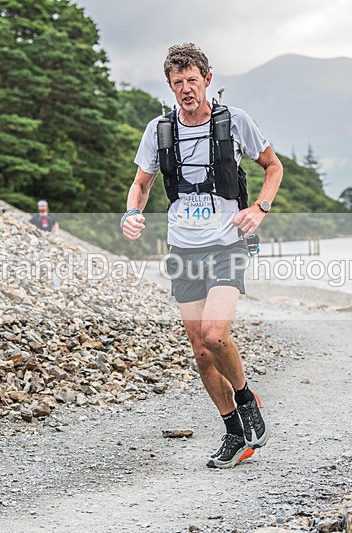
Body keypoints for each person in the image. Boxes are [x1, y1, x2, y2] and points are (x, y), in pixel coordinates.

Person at [121, 43, 283, 468]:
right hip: (183, 247)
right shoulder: (160, 131)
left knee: (215, 333)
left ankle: (246, 399)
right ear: (171, 86)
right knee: (200, 351)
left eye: (193, 80)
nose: (186, 89)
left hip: (227, 243)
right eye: (178, 83)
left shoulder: (236, 122)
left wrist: (259, 208)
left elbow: (273, 167)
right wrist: (132, 213)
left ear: (207, 80)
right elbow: (141, 183)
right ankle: (234, 433)